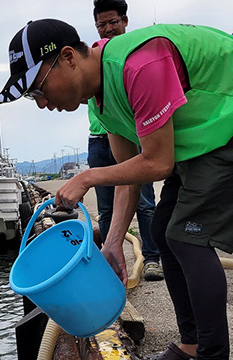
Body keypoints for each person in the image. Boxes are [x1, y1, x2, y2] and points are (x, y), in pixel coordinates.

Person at [0, 18, 232, 360]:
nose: (42, 103)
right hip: (206, 138)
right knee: (162, 229)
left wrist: (87, 177)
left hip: (225, 126)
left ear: (68, 57)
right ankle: (192, 344)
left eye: (38, 88)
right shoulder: (100, 99)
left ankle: (213, 354)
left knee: (186, 235)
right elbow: (129, 175)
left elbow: (158, 163)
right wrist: (113, 243)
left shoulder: (138, 65)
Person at [89, 0, 163, 281]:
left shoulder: (133, 56)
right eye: (101, 25)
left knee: (144, 202)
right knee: (106, 207)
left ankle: (153, 259)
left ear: (125, 21)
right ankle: (111, 255)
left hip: (133, 135)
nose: (107, 29)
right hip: (99, 138)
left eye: (113, 23)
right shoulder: (93, 58)